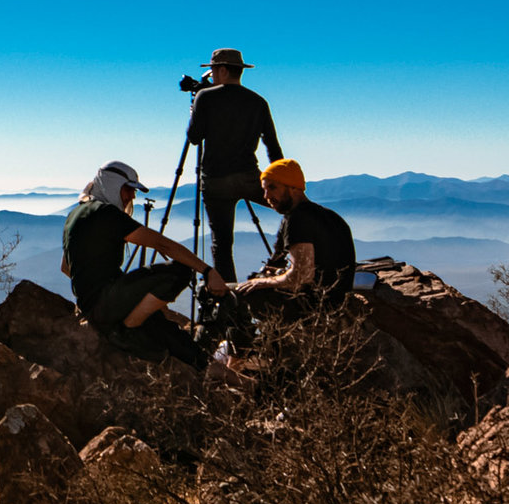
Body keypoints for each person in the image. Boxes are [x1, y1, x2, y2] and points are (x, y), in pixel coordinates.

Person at [62, 160, 227, 364]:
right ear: (112, 185)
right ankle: (126, 331)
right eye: (128, 189)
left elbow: (66, 267)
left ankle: (224, 375)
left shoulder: (74, 215)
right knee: (180, 272)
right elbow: (163, 245)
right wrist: (208, 270)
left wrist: (95, 289)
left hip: (94, 306)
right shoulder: (106, 213)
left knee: (169, 334)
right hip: (106, 305)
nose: (132, 196)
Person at [183, 49, 283, 284]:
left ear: (223, 69)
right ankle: (280, 259)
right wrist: (282, 182)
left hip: (216, 181)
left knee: (222, 245)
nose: (213, 75)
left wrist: (194, 110)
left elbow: (194, 137)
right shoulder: (258, 102)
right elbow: (273, 147)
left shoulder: (205, 98)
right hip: (249, 176)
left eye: (215, 70)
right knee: (292, 211)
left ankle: (228, 301)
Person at [228, 159, 358, 320]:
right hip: (335, 304)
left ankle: (240, 345)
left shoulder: (297, 219)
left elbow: (301, 276)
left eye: (272, 188)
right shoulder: (332, 217)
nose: (266, 196)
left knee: (228, 296)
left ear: (293, 187)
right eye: (264, 190)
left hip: (310, 306)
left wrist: (263, 282)